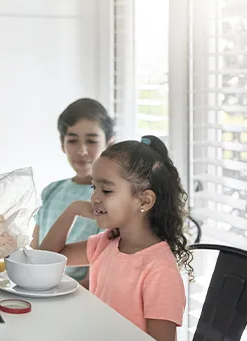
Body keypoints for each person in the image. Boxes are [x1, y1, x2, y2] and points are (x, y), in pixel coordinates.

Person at [40, 135, 192, 341]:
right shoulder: (106, 243)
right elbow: (46, 259)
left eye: (107, 190)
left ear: (145, 201)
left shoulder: (159, 270)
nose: (94, 197)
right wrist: (72, 210)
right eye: (94, 187)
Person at [30, 98, 114, 288]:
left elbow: (96, 278)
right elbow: (35, 255)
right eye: (73, 140)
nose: (82, 151)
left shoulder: (111, 198)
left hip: (78, 298)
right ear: (62, 143)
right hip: (40, 288)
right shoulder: (51, 191)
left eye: (92, 141)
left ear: (109, 143)